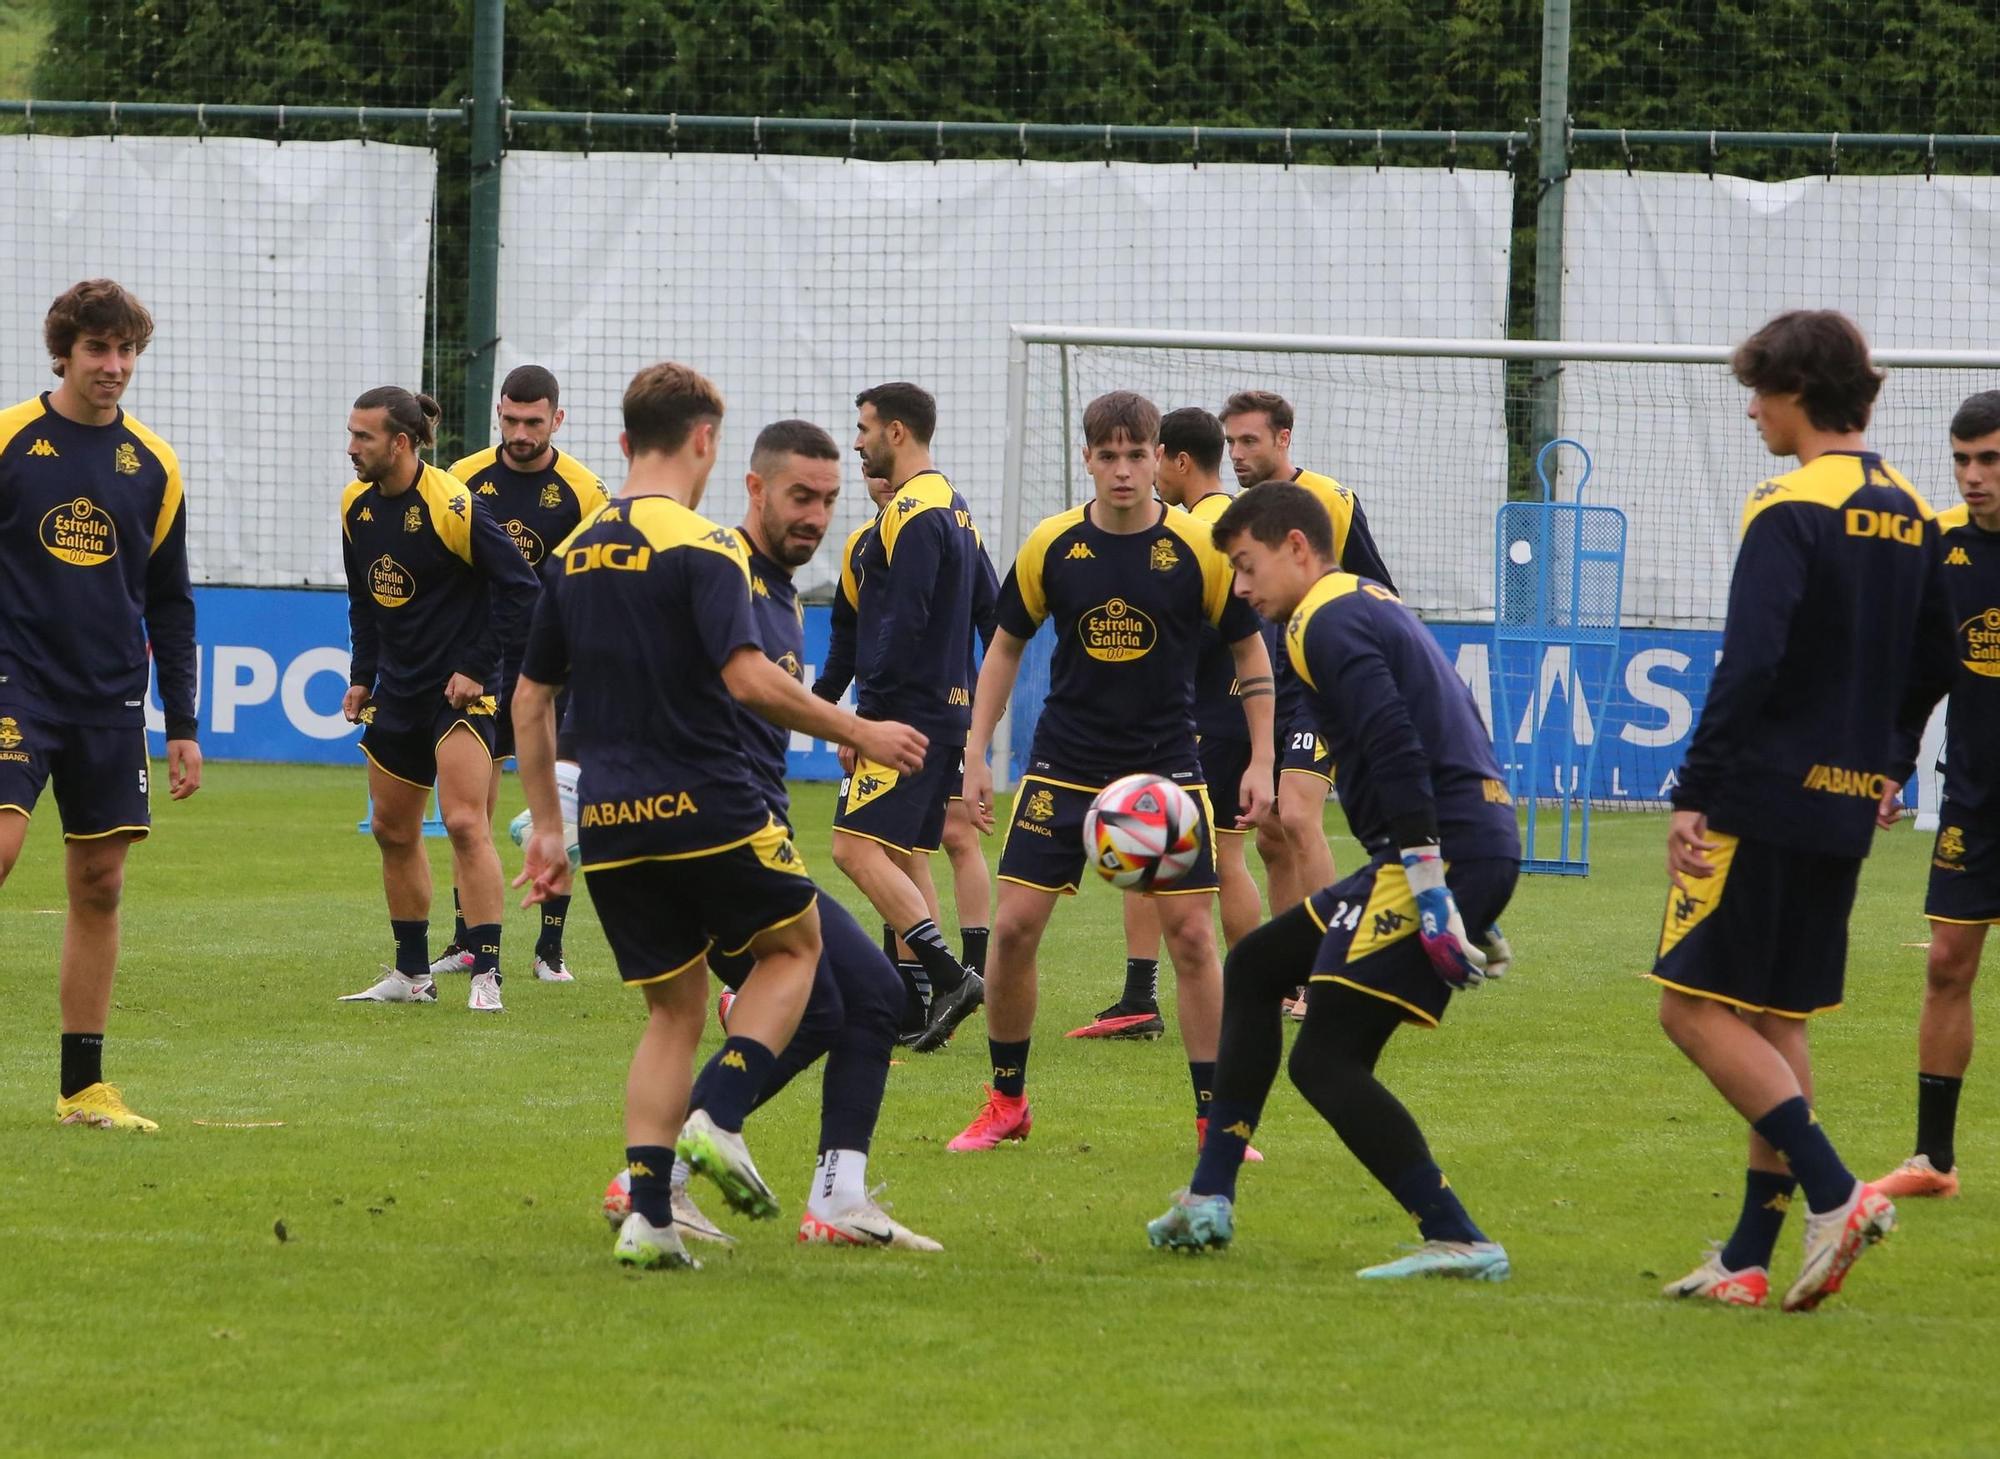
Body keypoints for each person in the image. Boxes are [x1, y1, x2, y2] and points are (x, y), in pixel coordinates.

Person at [511, 364, 927, 1269]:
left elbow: (530, 698)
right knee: (798, 954)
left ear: (622, 441)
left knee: (678, 1014)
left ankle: (651, 1212)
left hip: (614, 826)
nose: (816, 511)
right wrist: (859, 727)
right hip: (711, 806)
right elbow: (743, 679)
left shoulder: (573, 551)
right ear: (708, 443)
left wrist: (548, 825)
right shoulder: (705, 546)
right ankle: (719, 1120)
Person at [1654, 311, 1951, 1312]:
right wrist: (1884, 763)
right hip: (1839, 803)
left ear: (1795, 393)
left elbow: (1750, 659)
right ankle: (1747, 1255)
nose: (1749, 410)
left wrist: (1693, 790)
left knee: (1687, 1007)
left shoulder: (1787, 503)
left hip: (1760, 795)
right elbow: (1931, 657)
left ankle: (1834, 1190)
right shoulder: (1911, 509)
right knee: (1771, 1015)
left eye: (1758, 392)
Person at [1147, 483, 1518, 1282]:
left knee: (1326, 1060)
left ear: (1298, 548)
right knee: (1255, 966)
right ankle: (1210, 1193)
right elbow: (1453, 716)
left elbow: (1393, 743)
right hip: (1453, 847)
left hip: (1435, 855)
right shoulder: (1368, 602)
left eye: (1246, 567)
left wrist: (1432, 882)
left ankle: (1458, 1235)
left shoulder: (1322, 617)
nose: (1240, 590)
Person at [610, 418, 943, 1250]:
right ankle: (688, 1166)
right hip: (715, 837)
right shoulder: (716, 566)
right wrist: (861, 728)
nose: (816, 515)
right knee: (855, 995)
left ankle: (805, 1191)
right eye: (800, 496)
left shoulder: (780, 588)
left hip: (752, 831)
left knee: (854, 1002)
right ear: (753, 487)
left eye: (829, 499)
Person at [953, 391, 1275, 1152]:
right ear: (1088, 459)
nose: (1124, 471)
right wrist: (975, 750)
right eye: (1109, 456)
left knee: (1194, 938)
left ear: (1159, 457)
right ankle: (1006, 1104)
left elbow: (1249, 652)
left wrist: (1261, 756)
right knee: (1013, 931)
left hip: (1166, 771)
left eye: (1138, 455)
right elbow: (1004, 646)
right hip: (1064, 765)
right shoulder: (1052, 545)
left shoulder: (1198, 547)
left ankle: (1215, 1120)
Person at [0, 279, 200, 1131]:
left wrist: (183, 723)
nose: (113, 367)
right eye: (97, 350)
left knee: (100, 880)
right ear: (64, 352)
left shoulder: (153, 465)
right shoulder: (10, 440)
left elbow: (171, 600)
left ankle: (84, 1089)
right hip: (14, 682)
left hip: (111, 698)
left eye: (125, 352)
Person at [336, 387, 539, 1013]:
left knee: (462, 822)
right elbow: (364, 599)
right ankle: (411, 976)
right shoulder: (355, 507)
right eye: (351, 434)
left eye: (363, 437)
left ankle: (487, 973)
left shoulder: (452, 504)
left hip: (460, 693)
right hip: (396, 688)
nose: (351, 449)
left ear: (400, 443)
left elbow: (521, 588)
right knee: (394, 830)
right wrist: (362, 673)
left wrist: (477, 667)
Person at [1077, 406, 1263, 1041]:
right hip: (1215, 713)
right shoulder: (1229, 522)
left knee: (1202, 855)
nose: (1136, 474)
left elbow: (1228, 628)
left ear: (1172, 460)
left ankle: (1244, 988)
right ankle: (1157, 994)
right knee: (1167, 848)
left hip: (1202, 716)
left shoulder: (1196, 530)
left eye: (1145, 458)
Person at [432, 364, 607, 983]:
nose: (520, 431)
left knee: (551, 807)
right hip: (480, 665)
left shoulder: (586, 491)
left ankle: (550, 949)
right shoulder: (462, 479)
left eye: (534, 421)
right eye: (509, 419)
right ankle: (466, 942)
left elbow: (596, 584)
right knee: (469, 810)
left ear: (558, 419)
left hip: (553, 672)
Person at [831, 383, 989, 1052]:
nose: (858, 441)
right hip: (939, 715)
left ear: (897, 432)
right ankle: (913, 1004)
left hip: (904, 718)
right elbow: (994, 609)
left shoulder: (911, 514)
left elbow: (904, 622)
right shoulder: (955, 512)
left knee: (851, 847)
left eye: (865, 428)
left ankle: (950, 975)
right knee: (904, 852)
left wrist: (867, 719)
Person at [1873, 390, 2000, 1200]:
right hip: (1977, 799)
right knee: (1948, 962)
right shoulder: (1942, 549)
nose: (1972, 476)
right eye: (1961, 460)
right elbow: (1920, 673)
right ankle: (1933, 1161)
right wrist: (1890, 763)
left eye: (1989, 459)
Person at [1219, 389, 1394, 932]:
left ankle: (1332, 962)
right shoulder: (1236, 515)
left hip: (1322, 686)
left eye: (1250, 440)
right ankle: (1294, 970)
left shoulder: (1329, 499)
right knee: (1270, 832)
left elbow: (1378, 589)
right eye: (1230, 443)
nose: (1237, 454)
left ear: (1283, 438)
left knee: (1295, 813)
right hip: (1264, 692)